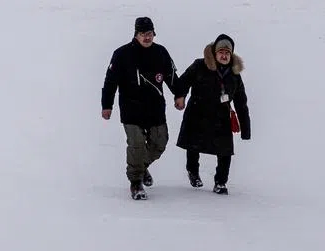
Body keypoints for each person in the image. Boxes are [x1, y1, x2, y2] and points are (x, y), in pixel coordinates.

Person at [101, 16, 184, 200]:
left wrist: (179, 95)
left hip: (155, 108)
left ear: (154, 33)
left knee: (159, 143)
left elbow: (171, 77)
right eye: (142, 34)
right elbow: (110, 82)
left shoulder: (161, 52)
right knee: (137, 144)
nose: (147, 37)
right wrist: (107, 105)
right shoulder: (122, 54)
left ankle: (141, 167)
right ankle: (136, 182)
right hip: (131, 108)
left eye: (149, 34)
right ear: (135, 34)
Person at [175, 34, 251, 195]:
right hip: (198, 112)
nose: (224, 56)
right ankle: (193, 172)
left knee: (225, 151)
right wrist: (180, 96)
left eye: (227, 53)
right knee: (193, 145)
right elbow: (183, 81)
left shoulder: (235, 75)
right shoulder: (199, 65)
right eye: (221, 52)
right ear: (215, 53)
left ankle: (220, 182)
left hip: (221, 116)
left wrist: (245, 129)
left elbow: (241, 103)